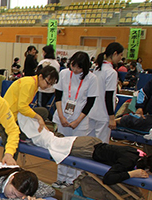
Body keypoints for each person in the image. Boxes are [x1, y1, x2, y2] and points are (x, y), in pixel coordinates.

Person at [18, 114, 151, 185]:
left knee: (55, 140)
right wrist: (132, 174)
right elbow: (109, 178)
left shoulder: (136, 152)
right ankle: (26, 126)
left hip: (92, 143)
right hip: (87, 149)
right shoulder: (127, 162)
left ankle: (32, 125)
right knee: (50, 143)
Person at [52, 51, 97, 188]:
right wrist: (61, 116)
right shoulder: (64, 74)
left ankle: (72, 180)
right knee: (61, 149)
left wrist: (77, 121)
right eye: (73, 66)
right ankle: (61, 178)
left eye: (79, 67)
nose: (75, 70)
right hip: (63, 117)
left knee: (76, 150)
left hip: (80, 120)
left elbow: (90, 103)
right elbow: (58, 96)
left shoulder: (91, 78)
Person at [1, 66, 59, 150]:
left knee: (43, 112)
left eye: (51, 84)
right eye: (48, 83)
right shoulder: (29, 84)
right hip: (8, 117)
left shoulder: (34, 84)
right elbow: (22, 107)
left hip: (17, 114)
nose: (49, 86)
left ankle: (25, 134)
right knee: (13, 147)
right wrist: (39, 118)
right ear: (40, 76)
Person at [88, 42, 124, 143]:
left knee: (90, 143)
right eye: (120, 55)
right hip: (103, 114)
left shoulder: (97, 69)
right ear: (115, 53)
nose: (120, 58)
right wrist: (111, 117)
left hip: (92, 112)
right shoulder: (111, 72)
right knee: (101, 145)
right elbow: (108, 96)